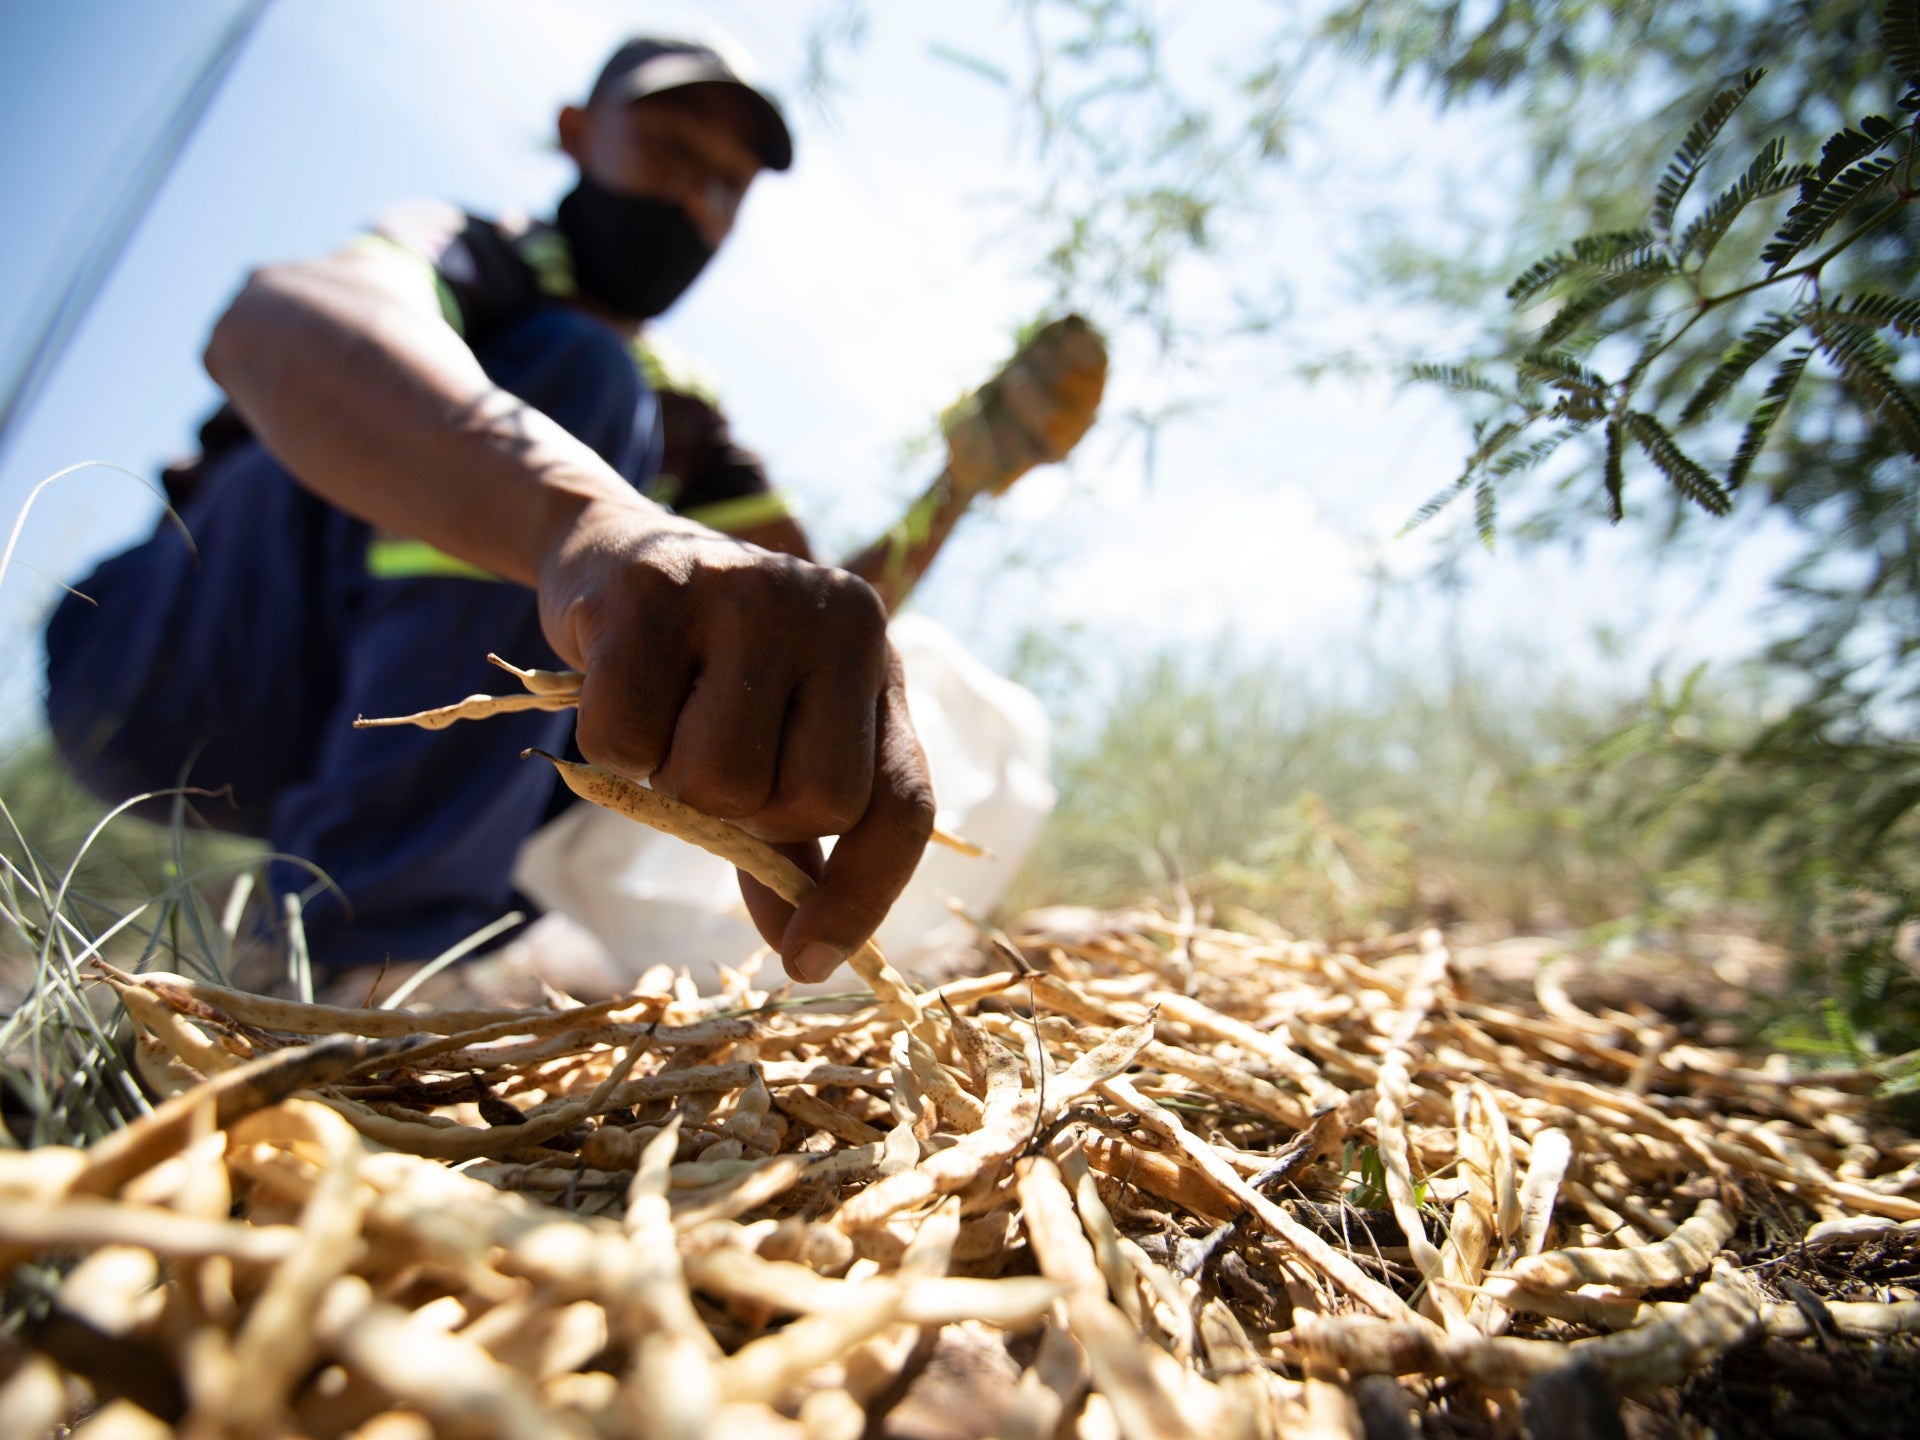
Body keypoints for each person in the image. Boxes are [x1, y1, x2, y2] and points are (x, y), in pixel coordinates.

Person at [43, 36, 1102, 993]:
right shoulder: (476, 255)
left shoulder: (677, 403)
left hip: (343, 725)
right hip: (167, 666)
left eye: (727, 183)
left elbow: (802, 622)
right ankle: (360, 951)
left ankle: (414, 918)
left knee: (711, 657)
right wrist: (588, 527)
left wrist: (951, 493)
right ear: (574, 133)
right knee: (575, 377)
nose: (697, 193)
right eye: (671, 145)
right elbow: (273, 327)